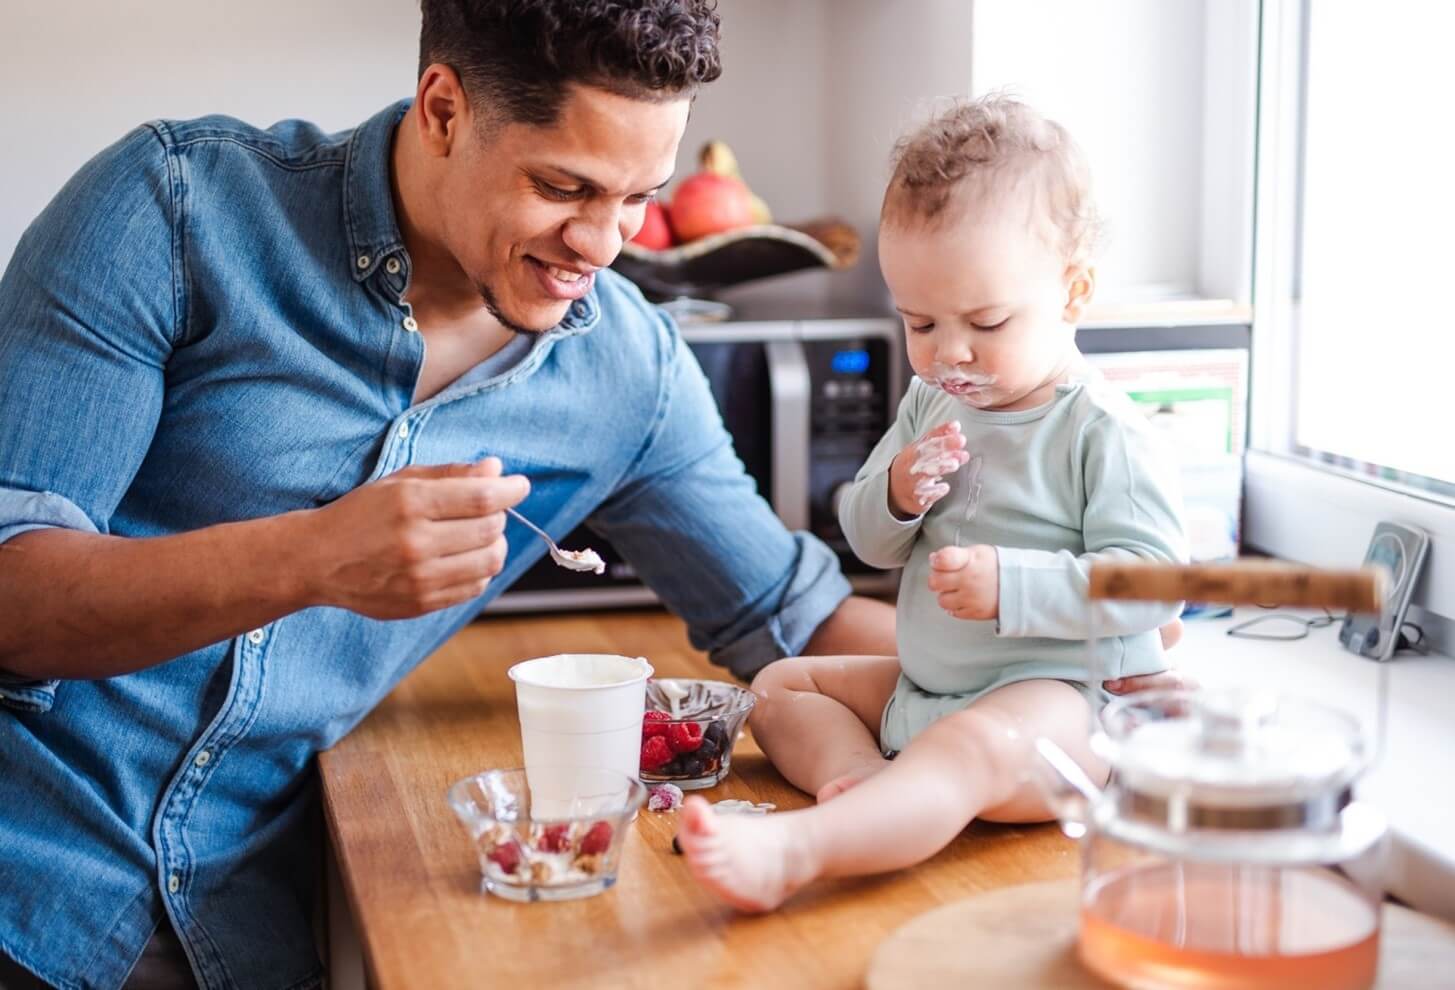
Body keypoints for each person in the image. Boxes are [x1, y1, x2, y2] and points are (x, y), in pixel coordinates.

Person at [0, 4, 906, 988]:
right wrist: (310, 557)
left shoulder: (626, 368)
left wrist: (1058, 664)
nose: (603, 245)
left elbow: (790, 616)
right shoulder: (172, 211)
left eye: (641, 198)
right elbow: (13, 599)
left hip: (235, 929)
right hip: (28, 867)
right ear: (442, 110)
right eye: (566, 186)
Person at [677, 95, 1189, 912]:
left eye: (984, 321)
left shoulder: (1100, 430)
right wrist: (895, 493)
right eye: (918, 322)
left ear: (1074, 292)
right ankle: (866, 792)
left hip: (1058, 707)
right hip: (927, 688)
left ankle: (802, 851)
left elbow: (1154, 588)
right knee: (775, 686)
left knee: (970, 747)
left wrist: (1008, 586)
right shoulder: (932, 402)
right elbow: (867, 542)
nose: (948, 352)